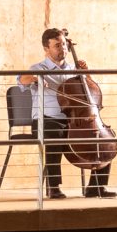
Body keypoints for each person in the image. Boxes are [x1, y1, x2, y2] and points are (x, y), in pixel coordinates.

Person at [26, 29, 75, 199]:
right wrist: (35, 78)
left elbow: (88, 93)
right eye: (57, 45)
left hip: (70, 120)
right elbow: (22, 79)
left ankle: (96, 186)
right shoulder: (37, 68)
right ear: (46, 49)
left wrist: (86, 75)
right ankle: (53, 187)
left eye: (64, 44)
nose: (63, 48)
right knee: (55, 135)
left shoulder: (74, 69)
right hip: (44, 121)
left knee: (100, 136)